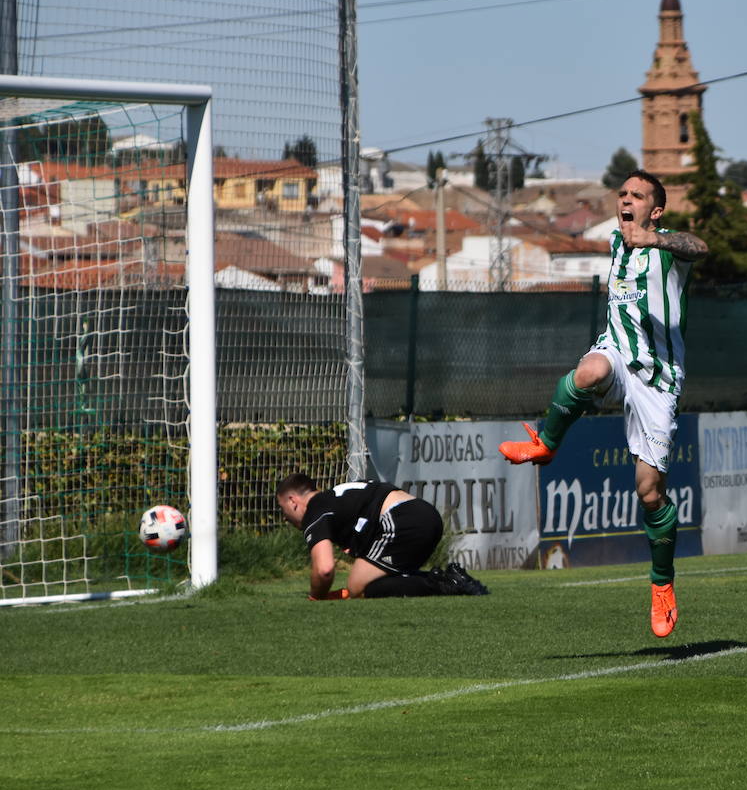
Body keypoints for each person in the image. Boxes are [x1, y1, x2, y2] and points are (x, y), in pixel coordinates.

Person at [498, 169, 708, 637]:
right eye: (623, 194)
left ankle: (662, 584)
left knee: (650, 492)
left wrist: (655, 239)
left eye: (638, 195)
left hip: (657, 380)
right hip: (616, 356)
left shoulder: (669, 249)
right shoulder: (616, 245)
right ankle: (546, 444)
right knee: (587, 372)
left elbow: (700, 248)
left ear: (655, 210)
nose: (626, 200)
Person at [275, 473, 489, 599]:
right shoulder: (335, 496)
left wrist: (316, 597)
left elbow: (324, 570)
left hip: (403, 519)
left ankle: (447, 584)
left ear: (293, 501)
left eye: (282, 509)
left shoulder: (315, 508)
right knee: (375, 584)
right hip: (424, 514)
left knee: (357, 586)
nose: (285, 518)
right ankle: (452, 579)